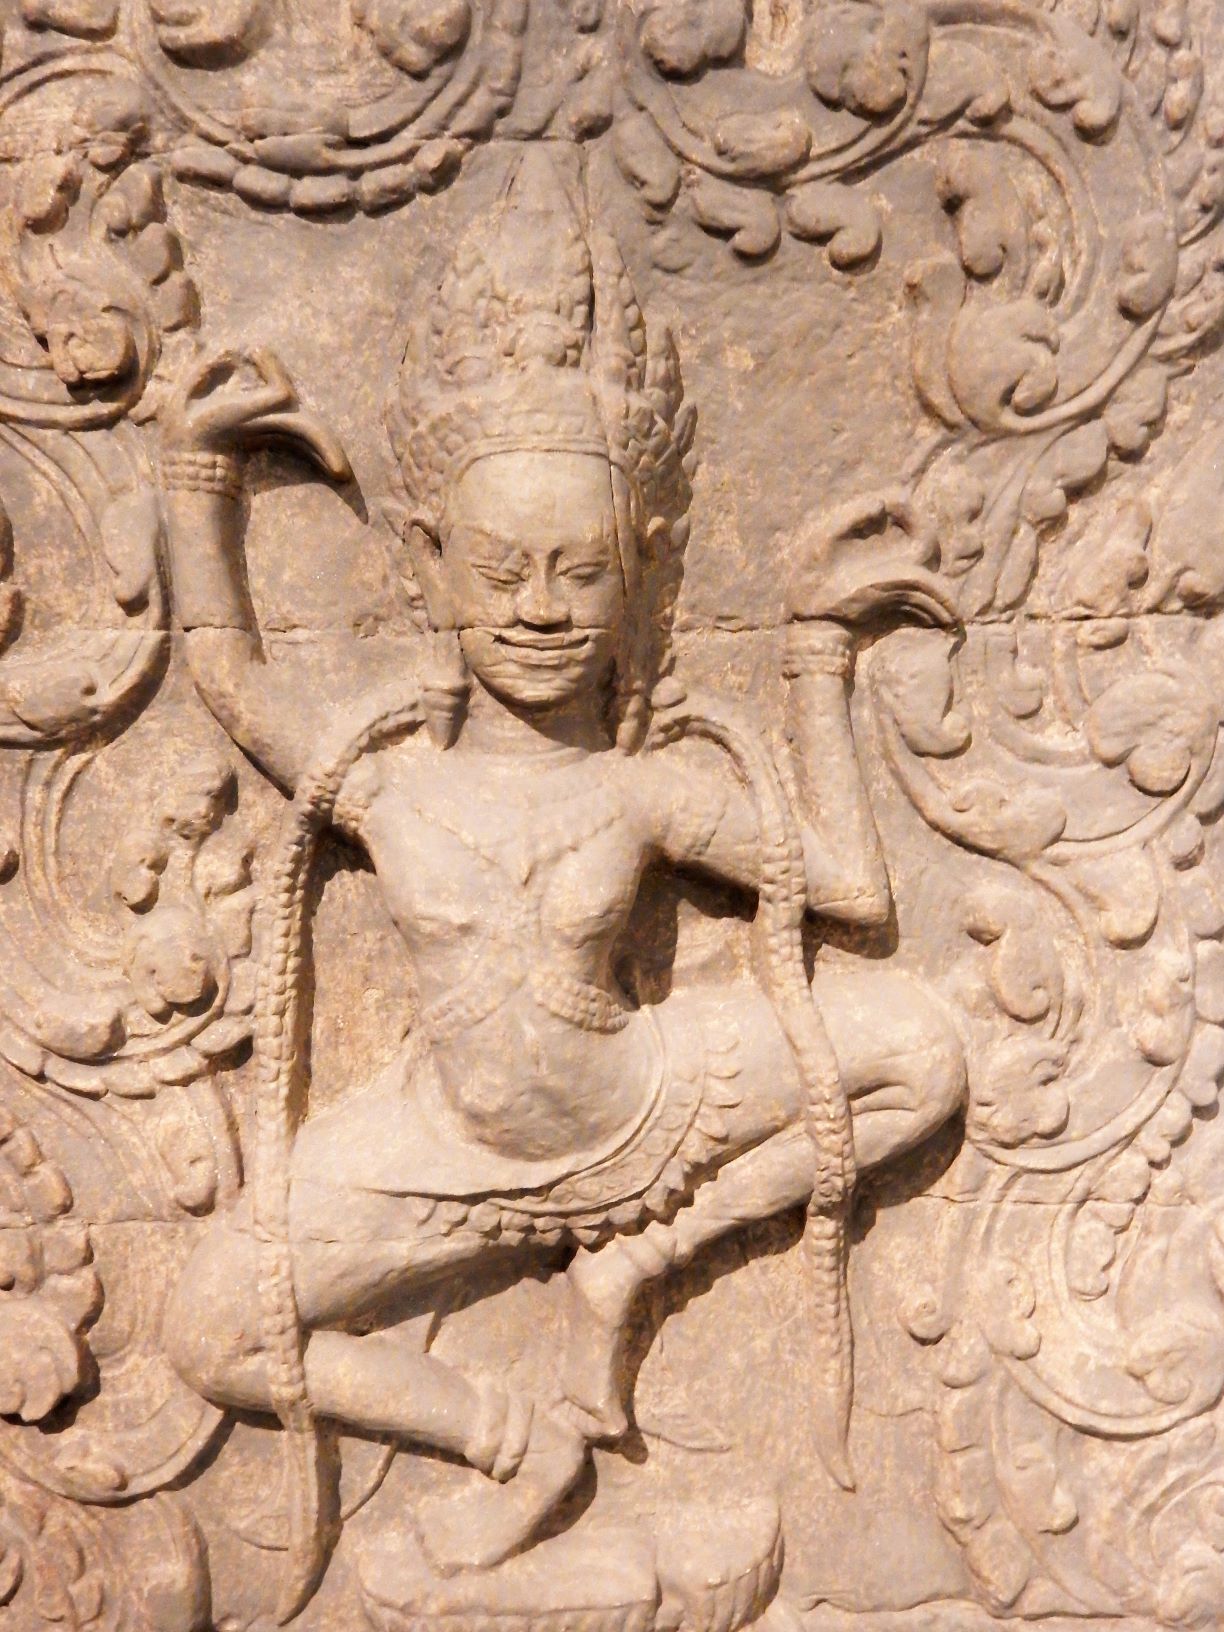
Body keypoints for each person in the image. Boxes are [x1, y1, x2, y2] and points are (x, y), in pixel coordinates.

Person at [160, 153, 966, 1589]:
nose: (538, 611)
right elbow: (226, 676)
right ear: (431, 567)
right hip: (438, 1155)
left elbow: (847, 886)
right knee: (211, 1327)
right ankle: (510, 1441)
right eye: (500, 573)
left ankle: (636, 1267)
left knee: (922, 1057)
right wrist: (193, 475)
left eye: (579, 573)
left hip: (645, 1108)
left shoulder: (641, 790)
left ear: (638, 569)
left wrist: (812, 652)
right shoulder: (389, 781)